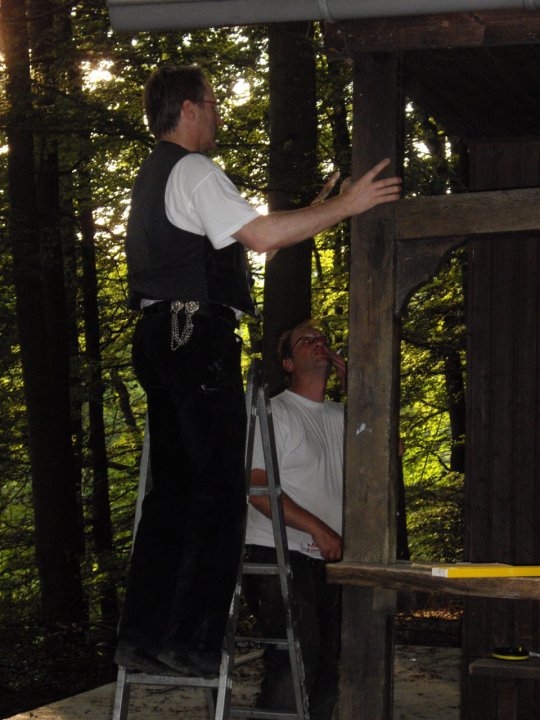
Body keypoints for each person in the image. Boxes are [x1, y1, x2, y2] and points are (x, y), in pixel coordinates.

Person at [114, 63, 401, 679]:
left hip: (160, 335)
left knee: (173, 492)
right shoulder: (193, 169)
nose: (217, 115)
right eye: (212, 103)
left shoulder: (153, 174)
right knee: (218, 490)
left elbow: (251, 239)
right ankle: (191, 642)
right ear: (188, 109)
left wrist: (319, 208)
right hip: (197, 336)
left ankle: (143, 636)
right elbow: (262, 236)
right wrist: (349, 204)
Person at [244, 320, 346, 720]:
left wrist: (358, 388)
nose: (319, 344)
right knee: (295, 662)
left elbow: (392, 451)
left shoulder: (342, 414)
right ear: (287, 363)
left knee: (328, 667)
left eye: (324, 340)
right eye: (307, 340)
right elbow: (257, 489)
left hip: (330, 560)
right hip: (277, 554)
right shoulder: (274, 412)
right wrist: (318, 528)